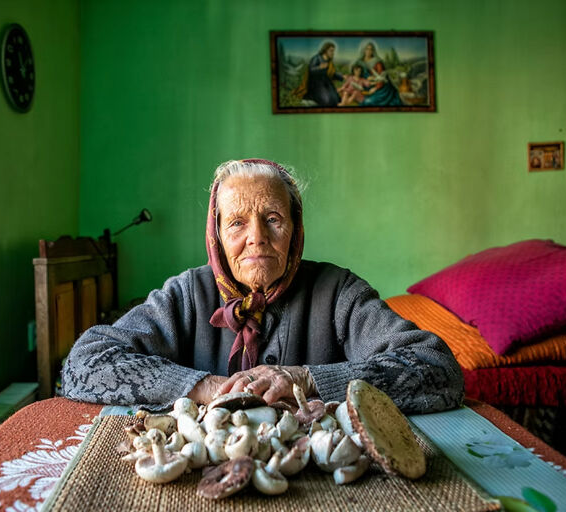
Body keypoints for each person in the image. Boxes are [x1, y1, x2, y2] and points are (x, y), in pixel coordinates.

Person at [62, 159, 464, 414]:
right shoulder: (187, 294)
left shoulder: (338, 292)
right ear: (217, 234)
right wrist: (205, 386)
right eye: (237, 223)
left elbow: (439, 369)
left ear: (295, 229)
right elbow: (83, 364)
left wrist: (305, 379)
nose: (256, 237)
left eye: (272, 218)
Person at [293, 42, 344, 107]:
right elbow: (311, 70)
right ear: (325, 50)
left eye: (333, 51)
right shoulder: (316, 58)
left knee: (336, 100)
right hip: (317, 85)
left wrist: (341, 77)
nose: (332, 53)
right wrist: (319, 67)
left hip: (327, 84)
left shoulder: (329, 61)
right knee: (327, 101)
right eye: (331, 51)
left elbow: (331, 73)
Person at [355, 41, 403, 107]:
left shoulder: (377, 62)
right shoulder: (359, 62)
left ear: (373, 51)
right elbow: (355, 74)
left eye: (371, 49)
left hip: (380, 87)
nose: (369, 51)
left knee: (368, 102)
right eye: (367, 49)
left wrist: (375, 88)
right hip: (365, 85)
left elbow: (382, 78)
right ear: (364, 50)